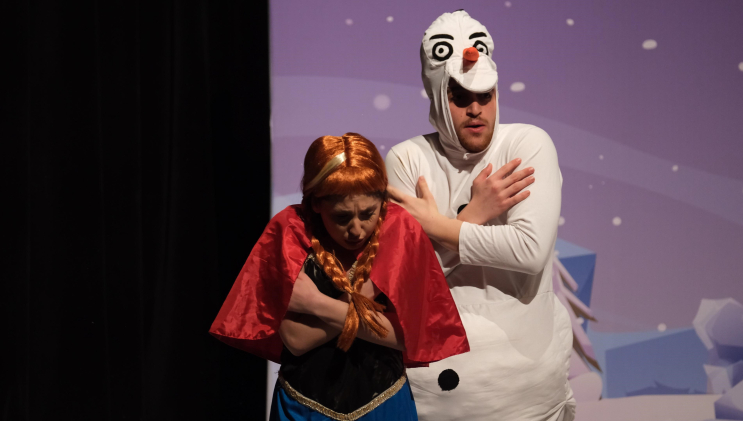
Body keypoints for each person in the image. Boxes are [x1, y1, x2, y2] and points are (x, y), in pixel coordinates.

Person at [385, 10, 576, 421]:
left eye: (485, 95)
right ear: (437, 95)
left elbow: (529, 251)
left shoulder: (527, 143)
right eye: (459, 96)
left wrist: (438, 227)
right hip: (434, 398)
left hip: (527, 395)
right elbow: (403, 286)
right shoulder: (407, 159)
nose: (475, 109)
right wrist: (473, 215)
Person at [210, 133, 469, 421]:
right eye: (342, 217)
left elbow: (410, 337)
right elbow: (296, 339)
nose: (356, 230)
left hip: (384, 404)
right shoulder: (289, 230)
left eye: (368, 214)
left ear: (383, 200)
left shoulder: (399, 229)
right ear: (316, 203)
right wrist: (365, 302)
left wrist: (314, 303)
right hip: (303, 407)